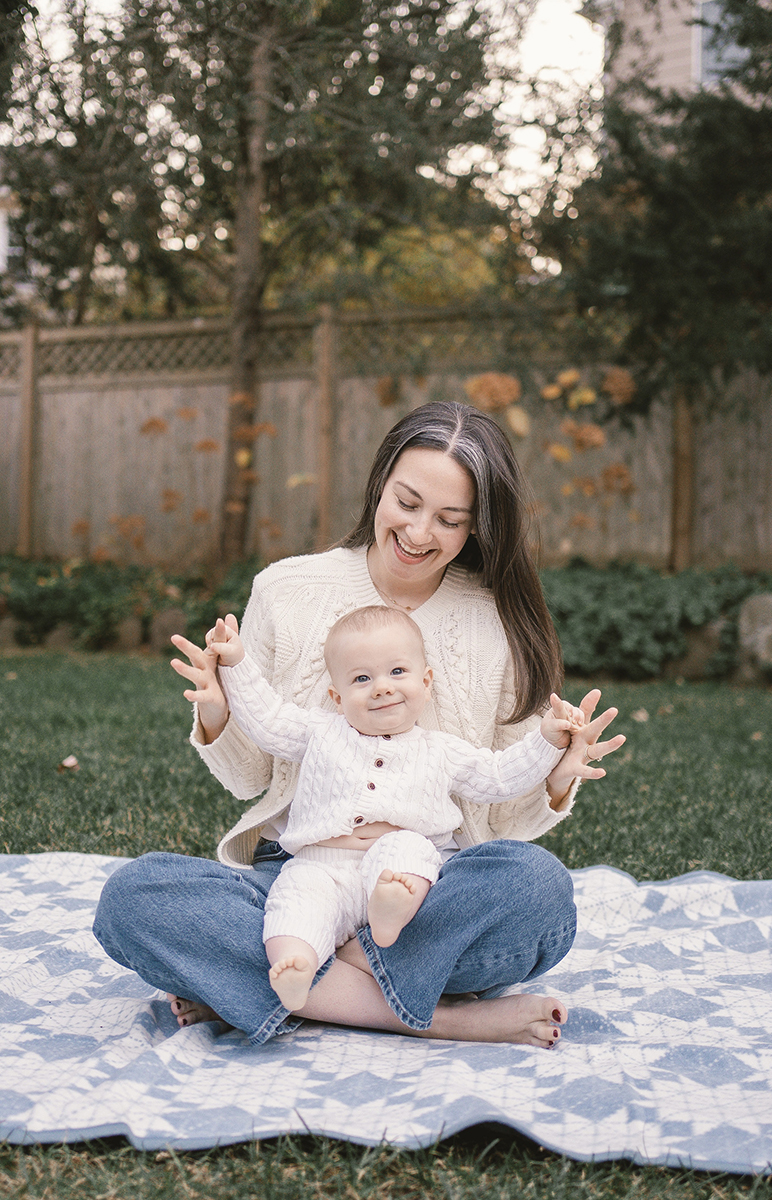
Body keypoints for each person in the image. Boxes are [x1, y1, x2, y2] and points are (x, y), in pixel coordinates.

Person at [94, 400, 624, 1049]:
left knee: (536, 891)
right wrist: (220, 713)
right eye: (407, 502)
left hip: (425, 889)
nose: (420, 532)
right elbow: (249, 776)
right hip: (296, 872)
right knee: (135, 898)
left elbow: (501, 811)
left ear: (476, 529)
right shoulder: (287, 591)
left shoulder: (496, 625)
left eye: (450, 520)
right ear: (380, 483)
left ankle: (273, 986)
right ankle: (435, 1017)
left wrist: (555, 780)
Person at [192, 604, 584, 1013]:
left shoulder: (442, 750)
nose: (381, 687)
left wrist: (548, 741)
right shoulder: (320, 730)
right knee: (295, 901)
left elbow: (500, 776)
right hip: (320, 864)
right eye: (362, 678)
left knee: (412, 853)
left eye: (397, 672)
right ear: (336, 696)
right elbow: (267, 719)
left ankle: (389, 912)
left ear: (426, 682)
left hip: (398, 863)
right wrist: (235, 662)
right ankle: (297, 966)